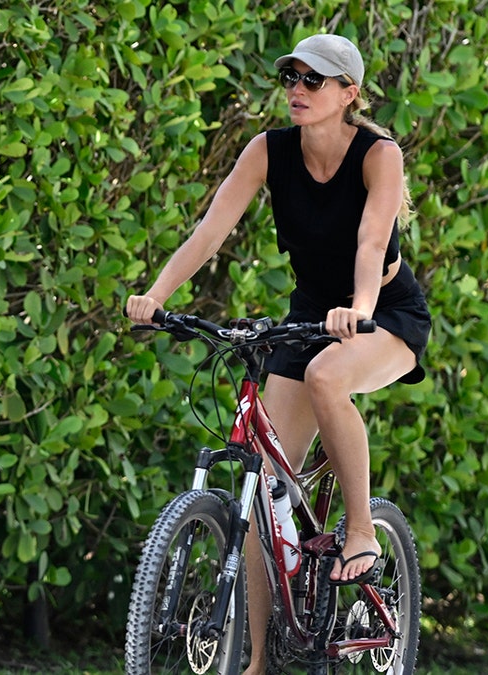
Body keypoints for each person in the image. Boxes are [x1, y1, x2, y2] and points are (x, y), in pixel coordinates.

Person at [124, 33, 431, 673]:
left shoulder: (379, 155)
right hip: (310, 315)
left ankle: (362, 531)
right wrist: (155, 295)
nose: (296, 88)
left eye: (313, 80)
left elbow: (373, 241)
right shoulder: (267, 150)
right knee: (265, 493)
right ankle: (261, 661)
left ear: (349, 93)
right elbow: (211, 228)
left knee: (326, 378)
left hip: (384, 313)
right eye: (290, 75)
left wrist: (363, 308)